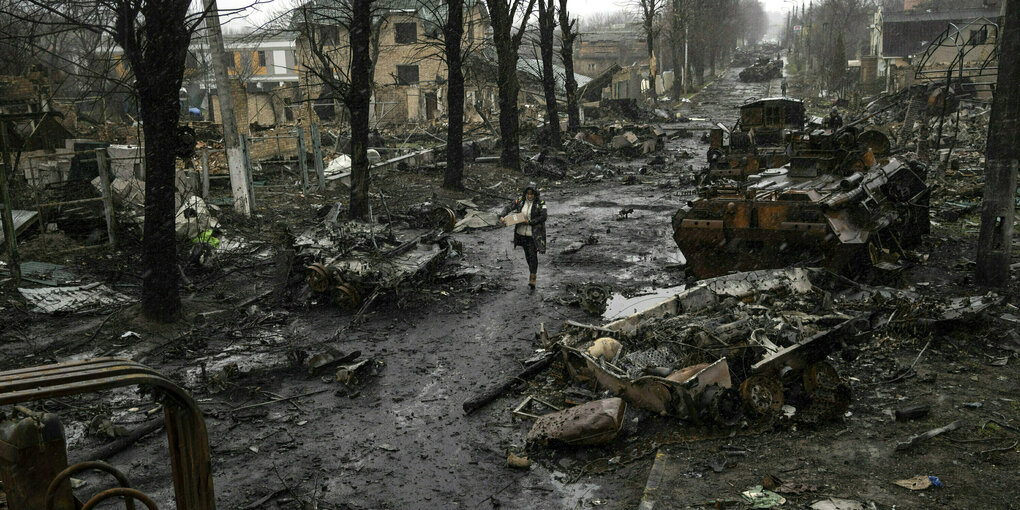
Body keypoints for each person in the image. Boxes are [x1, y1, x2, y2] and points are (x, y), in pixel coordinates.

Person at [500, 184, 547, 289]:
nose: (529, 196)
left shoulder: (541, 203)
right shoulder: (520, 201)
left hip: (533, 234)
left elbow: (543, 216)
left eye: (532, 194)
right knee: (527, 254)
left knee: (532, 254)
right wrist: (502, 216)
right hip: (521, 233)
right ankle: (532, 271)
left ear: (535, 194)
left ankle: (533, 276)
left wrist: (530, 222)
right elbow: (509, 207)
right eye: (528, 194)